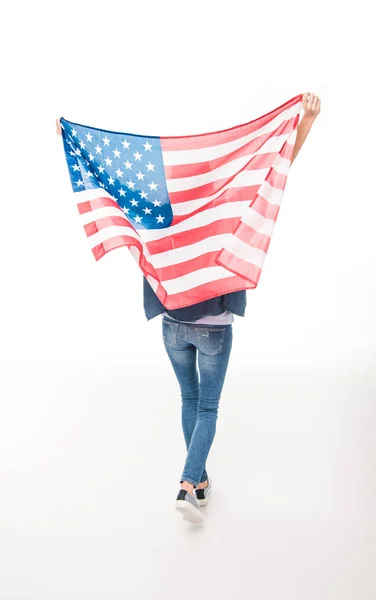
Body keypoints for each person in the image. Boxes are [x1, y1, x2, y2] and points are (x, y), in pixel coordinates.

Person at [56, 92, 321, 523]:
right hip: (215, 329)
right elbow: (277, 166)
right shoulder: (224, 205)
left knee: (189, 398)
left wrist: (74, 141)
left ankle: (199, 483)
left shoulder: (160, 211)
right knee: (208, 408)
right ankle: (186, 483)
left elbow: (113, 187)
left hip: (172, 326)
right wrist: (306, 121)